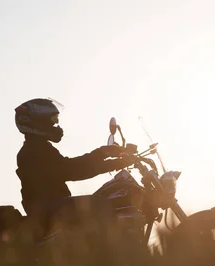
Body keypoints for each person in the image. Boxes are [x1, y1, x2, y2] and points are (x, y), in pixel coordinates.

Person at [14, 97, 132, 238]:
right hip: (47, 210)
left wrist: (103, 153)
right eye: (52, 121)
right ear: (38, 122)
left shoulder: (39, 147)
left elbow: (70, 167)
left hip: (49, 207)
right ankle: (109, 254)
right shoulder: (34, 151)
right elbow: (71, 170)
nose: (56, 126)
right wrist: (113, 162)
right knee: (101, 204)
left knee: (104, 200)